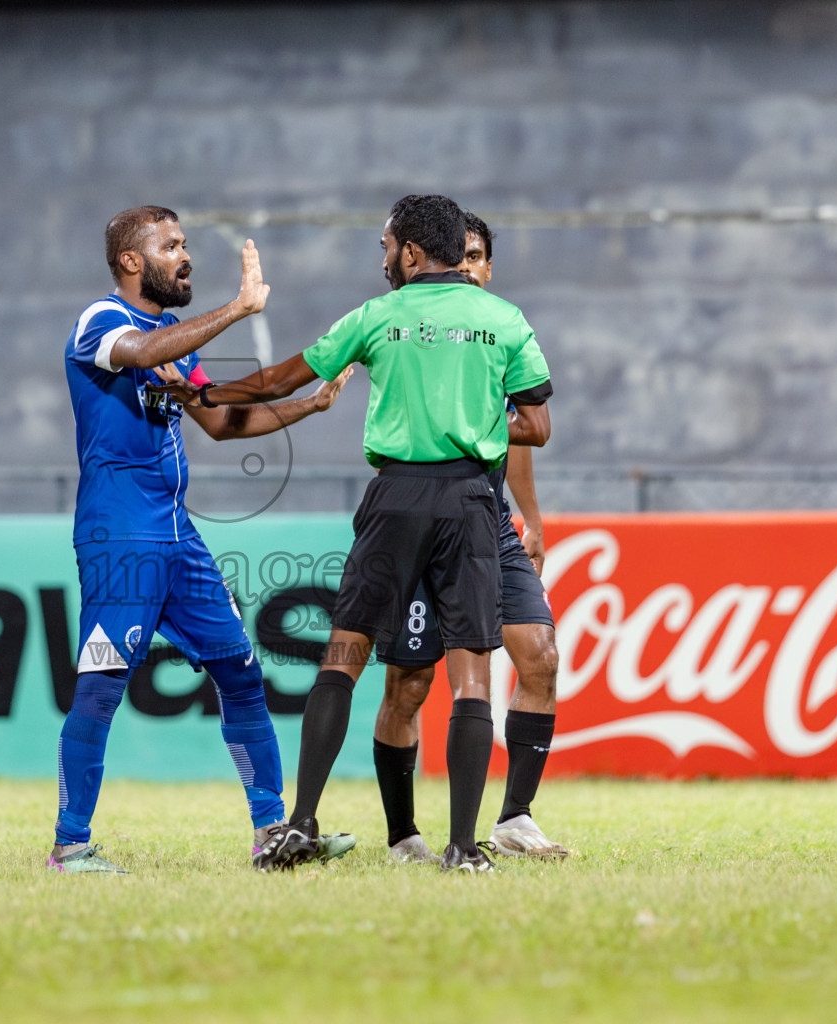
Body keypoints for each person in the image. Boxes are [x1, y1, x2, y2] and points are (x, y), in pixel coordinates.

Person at [159, 195, 552, 874]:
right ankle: (463, 846)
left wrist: (202, 392)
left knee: (342, 657)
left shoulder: (377, 316)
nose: (382, 259)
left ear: (409, 251)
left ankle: (300, 822)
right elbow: (536, 416)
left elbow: (284, 378)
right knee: (470, 676)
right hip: (469, 502)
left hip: (395, 497)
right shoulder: (504, 320)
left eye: (384, 247)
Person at [52, 205, 354, 873]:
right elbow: (136, 354)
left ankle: (272, 833)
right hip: (118, 534)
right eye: (171, 245)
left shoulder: (171, 338)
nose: (184, 256)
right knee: (101, 685)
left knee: (240, 673)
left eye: (186, 243)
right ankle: (69, 845)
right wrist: (239, 309)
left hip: (175, 533)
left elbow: (216, 422)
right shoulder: (101, 322)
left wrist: (310, 404)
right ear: (132, 261)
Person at [372, 212, 568, 865]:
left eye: (480, 256)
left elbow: (520, 433)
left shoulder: (499, 334)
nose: (471, 268)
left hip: (489, 523)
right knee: (407, 683)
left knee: (538, 656)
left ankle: (513, 818)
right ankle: (403, 834)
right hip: (422, 521)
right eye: (464, 255)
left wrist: (529, 518)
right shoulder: (417, 333)